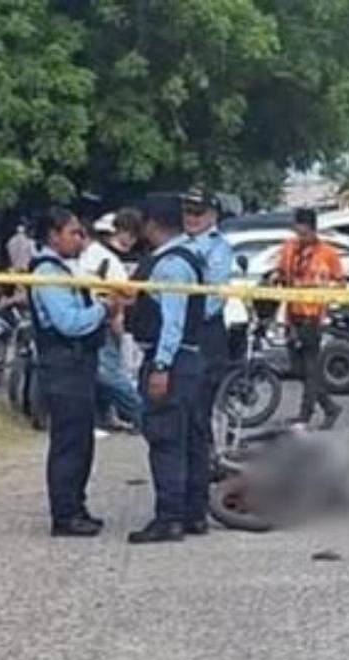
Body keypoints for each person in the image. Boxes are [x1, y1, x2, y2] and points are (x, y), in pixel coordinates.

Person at [29, 206, 121, 537]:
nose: (80, 239)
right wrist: (102, 309)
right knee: (69, 443)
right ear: (53, 236)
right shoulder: (47, 274)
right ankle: (65, 515)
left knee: (82, 442)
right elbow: (68, 323)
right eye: (73, 232)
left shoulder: (64, 269)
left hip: (78, 365)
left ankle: (76, 507)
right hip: (63, 365)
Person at [125, 193, 211, 544]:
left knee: (167, 440)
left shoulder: (169, 265)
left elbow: (171, 322)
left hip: (173, 361)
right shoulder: (192, 255)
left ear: (151, 224)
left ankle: (170, 517)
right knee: (192, 439)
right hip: (191, 359)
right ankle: (194, 513)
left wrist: (161, 366)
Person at [277, 208, 345, 428]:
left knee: (311, 366)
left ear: (313, 229)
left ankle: (305, 414)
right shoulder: (288, 248)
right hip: (292, 314)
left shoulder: (328, 253)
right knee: (299, 369)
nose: (301, 236)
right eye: (298, 231)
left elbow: (340, 282)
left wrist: (323, 289)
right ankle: (329, 406)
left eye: (304, 232)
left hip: (313, 316)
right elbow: (280, 274)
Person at [76, 213, 142, 432]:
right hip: (91, 320)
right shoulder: (88, 257)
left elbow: (128, 292)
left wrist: (115, 311)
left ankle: (142, 413)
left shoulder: (104, 259)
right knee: (99, 373)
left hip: (104, 320)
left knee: (109, 373)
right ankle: (104, 415)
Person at [181, 185, 233, 447]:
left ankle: (212, 459)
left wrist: (185, 316)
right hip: (180, 334)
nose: (191, 218)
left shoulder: (218, 248)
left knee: (205, 406)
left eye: (197, 213)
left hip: (205, 333)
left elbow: (213, 299)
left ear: (212, 216)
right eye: (187, 211)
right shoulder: (178, 244)